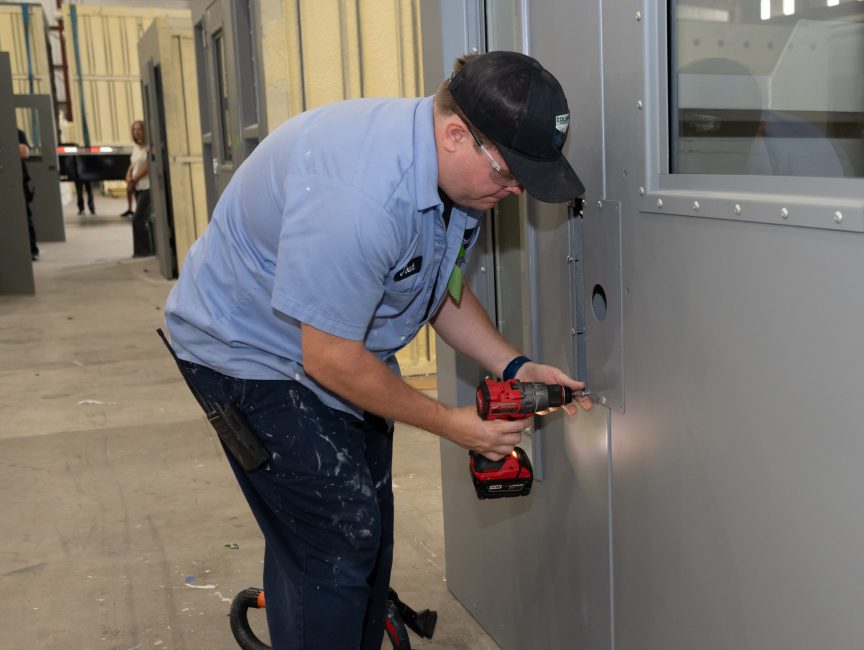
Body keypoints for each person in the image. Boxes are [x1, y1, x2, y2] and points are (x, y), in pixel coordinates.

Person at [162, 51, 589, 650]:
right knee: (336, 542)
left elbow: (436, 290)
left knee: (363, 536)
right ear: (455, 134)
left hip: (334, 347)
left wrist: (514, 366)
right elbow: (330, 359)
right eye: (508, 171)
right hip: (247, 355)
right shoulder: (359, 197)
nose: (517, 189)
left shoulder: (455, 185)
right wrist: (455, 425)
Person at [125, 120, 153, 257]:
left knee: (138, 219)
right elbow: (132, 164)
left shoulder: (148, 147)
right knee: (141, 219)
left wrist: (134, 178)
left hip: (148, 187)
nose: (136, 132)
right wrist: (128, 176)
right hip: (138, 187)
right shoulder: (136, 148)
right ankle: (140, 251)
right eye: (134, 130)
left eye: (139, 129)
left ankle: (144, 251)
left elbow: (148, 166)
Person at [18, 129, 38, 261]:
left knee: (26, 215)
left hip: (19, 179)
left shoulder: (17, 132)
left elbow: (25, 153)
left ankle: (32, 250)